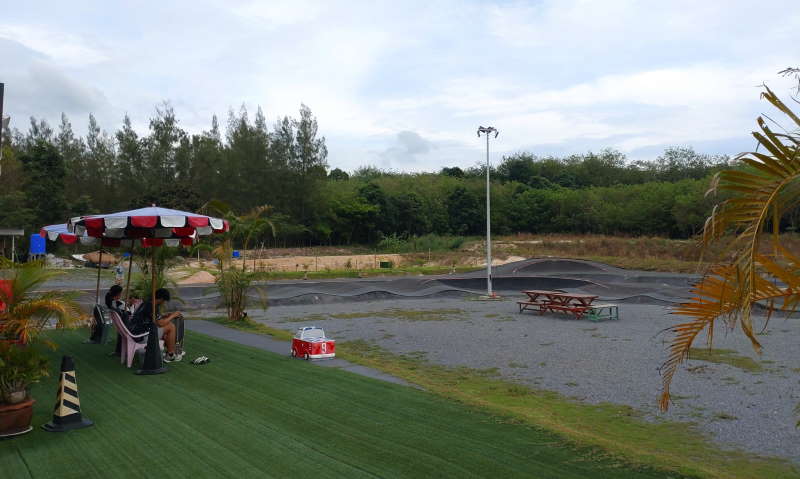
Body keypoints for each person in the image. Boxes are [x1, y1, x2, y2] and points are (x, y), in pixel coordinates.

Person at [130, 288, 185, 362]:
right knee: (171, 326)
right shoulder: (151, 306)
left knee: (167, 330)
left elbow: (154, 318)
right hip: (141, 336)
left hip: (136, 332)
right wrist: (173, 315)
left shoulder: (147, 303)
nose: (164, 303)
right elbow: (160, 323)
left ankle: (168, 352)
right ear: (161, 299)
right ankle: (170, 355)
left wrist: (166, 316)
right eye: (164, 301)